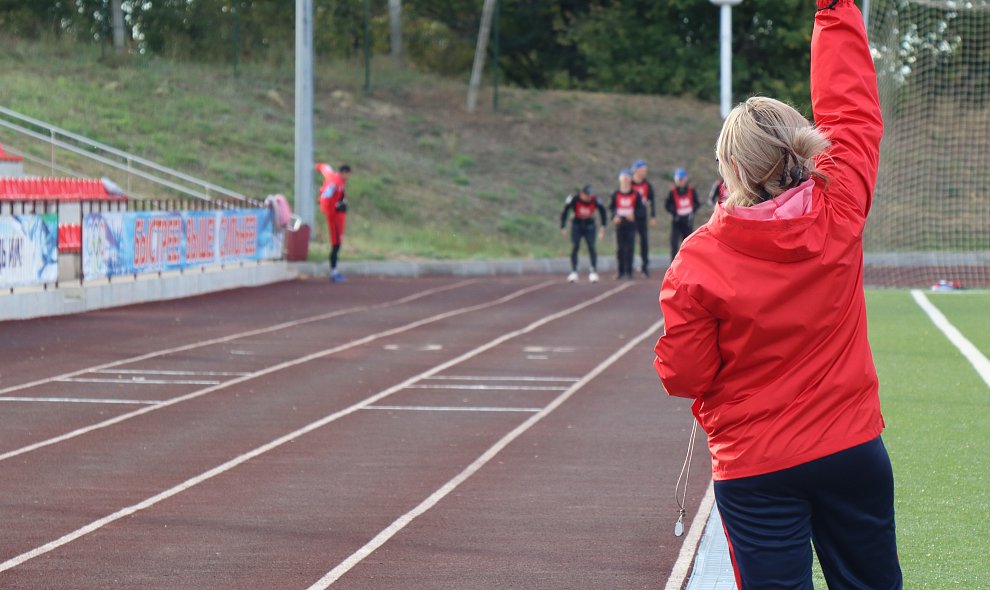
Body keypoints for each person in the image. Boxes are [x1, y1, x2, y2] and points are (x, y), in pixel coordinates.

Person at [653, 1, 901, 589]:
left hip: (756, 464)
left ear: (731, 167)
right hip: (850, 447)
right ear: (802, 145)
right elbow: (853, 109)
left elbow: (684, 374)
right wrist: (833, 9)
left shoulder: (699, 259)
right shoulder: (839, 207)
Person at [560, 184, 607, 283]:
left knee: (591, 246)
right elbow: (565, 211)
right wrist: (563, 226)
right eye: (586, 196)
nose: (588, 198)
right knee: (575, 246)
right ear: (581, 194)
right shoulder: (573, 199)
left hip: (589, 225)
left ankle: (593, 271)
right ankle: (574, 271)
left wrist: (603, 227)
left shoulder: (595, 200)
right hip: (577, 224)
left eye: (590, 196)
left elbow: (603, 212)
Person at [316, 162, 351, 283]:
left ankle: (334, 271)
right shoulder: (335, 183)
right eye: (347, 174)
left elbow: (325, 168)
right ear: (343, 173)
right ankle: (333, 272)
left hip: (337, 215)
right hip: (334, 216)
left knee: (337, 243)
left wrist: (317, 166)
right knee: (336, 243)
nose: (348, 177)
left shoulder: (334, 177)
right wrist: (326, 206)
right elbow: (326, 194)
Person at [608, 169, 639, 280]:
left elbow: (640, 209)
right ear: (620, 179)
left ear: (630, 180)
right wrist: (614, 216)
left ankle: (629, 271)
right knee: (620, 249)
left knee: (630, 248)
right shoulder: (615, 194)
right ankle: (620, 271)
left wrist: (634, 214)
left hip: (631, 224)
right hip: (619, 224)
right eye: (623, 178)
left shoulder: (635, 194)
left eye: (627, 178)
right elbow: (611, 208)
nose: (625, 181)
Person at [663, 168, 700, 260]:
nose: (680, 181)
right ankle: (673, 263)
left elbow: (697, 203)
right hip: (677, 221)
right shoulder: (672, 192)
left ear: (686, 179)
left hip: (688, 221)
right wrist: (674, 212)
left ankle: (688, 262)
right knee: (674, 243)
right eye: (678, 179)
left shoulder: (691, 191)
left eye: (682, 179)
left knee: (688, 243)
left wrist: (692, 211)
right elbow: (667, 205)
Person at [631, 160, 657, 277]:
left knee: (644, 242)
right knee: (629, 242)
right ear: (636, 170)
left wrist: (653, 216)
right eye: (642, 170)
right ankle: (628, 267)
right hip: (630, 217)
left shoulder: (647, 185)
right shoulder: (630, 184)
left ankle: (644, 267)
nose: (644, 173)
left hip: (642, 217)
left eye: (645, 171)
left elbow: (652, 201)